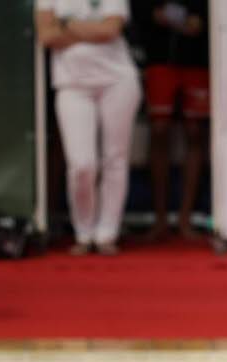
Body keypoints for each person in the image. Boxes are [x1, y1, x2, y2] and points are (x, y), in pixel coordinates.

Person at [36, 0, 141, 256]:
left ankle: (107, 233)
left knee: (115, 157)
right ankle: (83, 231)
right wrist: (91, 30)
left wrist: (67, 24)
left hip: (117, 80)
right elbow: (47, 36)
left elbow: (110, 31)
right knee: (81, 163)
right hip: (72, 85)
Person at [134, 0, 210, 241]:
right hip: (158, 60)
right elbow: (147, 13)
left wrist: (176, 20)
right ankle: (160, 219)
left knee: (195, 131)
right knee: (159, 130)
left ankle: (186, 219)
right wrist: (179, 21)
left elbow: (199, 23)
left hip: (198, 61)